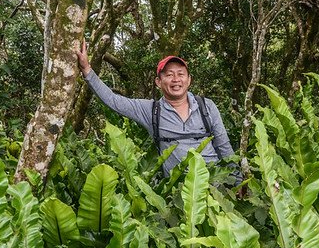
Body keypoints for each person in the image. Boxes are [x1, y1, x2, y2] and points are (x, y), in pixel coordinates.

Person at [76, 42, 236, 176]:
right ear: (158, 82)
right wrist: (86, 69)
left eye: (181, 74)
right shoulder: (151, 111)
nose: (176, 79)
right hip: (179, 197)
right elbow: (113, 100)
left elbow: (223, 146)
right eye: (169, 75)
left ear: (189, 80)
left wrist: (236, 181)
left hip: (216, 189)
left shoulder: (206, 106)